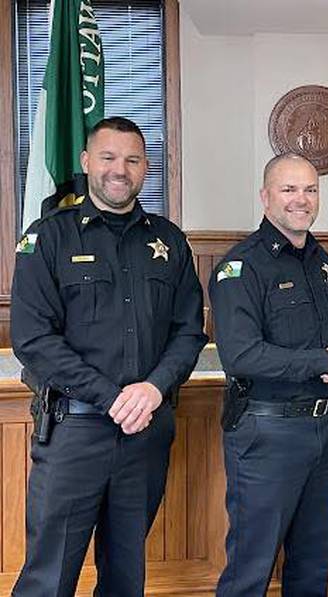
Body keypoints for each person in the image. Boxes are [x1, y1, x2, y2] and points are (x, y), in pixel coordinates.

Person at [10, 116, 208, 596]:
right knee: (48, 578)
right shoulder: (49, 237)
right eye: (108, 157)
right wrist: (111, 397)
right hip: (74, 432)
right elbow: (33, 339)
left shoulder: (169, 242)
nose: (120, 169)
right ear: (86, 162)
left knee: (125, 577)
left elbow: (188, 332)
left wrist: (154, 388)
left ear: (146, 168)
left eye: (133, 160)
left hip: (145, 435)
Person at [210, 153, 328, 596]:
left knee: (311, 565)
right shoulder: (241, 267)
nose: (301, 199)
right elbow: (242, 356)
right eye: (289, 189)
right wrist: (322, 363)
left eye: (310, 190)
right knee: (251, 570)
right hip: (267, 434)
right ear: (265, 197)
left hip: (322, 431)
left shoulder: (321, 261)